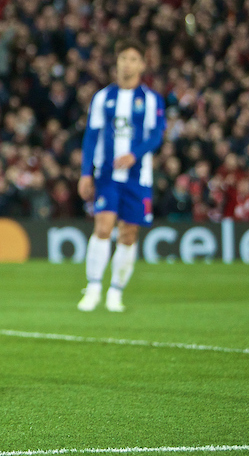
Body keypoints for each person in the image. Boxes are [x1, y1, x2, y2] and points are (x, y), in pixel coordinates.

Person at [77, 39, 165, 312]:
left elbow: (156, 135)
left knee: (128, 234)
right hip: (107, 174)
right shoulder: (103, 97)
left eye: (132, 58)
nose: (126, 63)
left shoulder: (151, 99)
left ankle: (115, 291)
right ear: (116, 63)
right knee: (103, 226)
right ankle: (93, 288)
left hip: (138, 177)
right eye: (123, 58)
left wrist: (134, 155)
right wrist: (85, 173)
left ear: (142, 65)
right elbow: (91, 137)